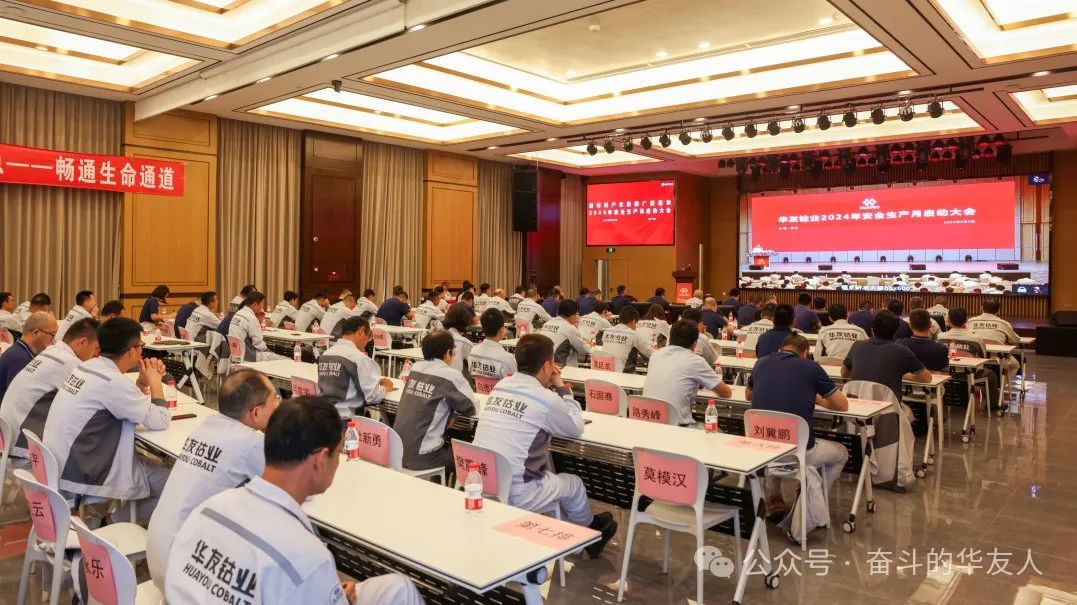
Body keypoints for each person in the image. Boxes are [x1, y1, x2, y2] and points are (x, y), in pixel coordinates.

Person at [164, 397, 423, 605]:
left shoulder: (207, 509)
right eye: (338, 453)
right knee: (400, 589)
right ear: (320, 460)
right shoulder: (309, 559)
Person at [472, 334, 617, 556]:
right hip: (517, 492)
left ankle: (578, 534)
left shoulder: (501, 386)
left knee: (553, 479)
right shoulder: (546, 399)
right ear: (548, 366)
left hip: (481, 483)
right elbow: (575, 427)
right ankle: (589, 536)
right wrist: (563, 388)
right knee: (574, 484)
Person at [147, 369, 279, 588]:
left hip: (158, 554)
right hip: (188, 574)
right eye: (275, 400)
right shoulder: (250, 444)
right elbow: (289, 484)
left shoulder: (205, 426)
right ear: (256, 412)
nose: (278, 406)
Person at [43, 317, 172, 520]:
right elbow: (160, 420)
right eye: (141, 346)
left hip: (65, 461)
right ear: (132, 351)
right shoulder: (113, 382)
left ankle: (120, 518)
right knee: (175, 483)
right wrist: (156, 382)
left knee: (152, 469)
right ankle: (117, 520)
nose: (142, 351)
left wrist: (141, 382)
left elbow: (121, 403)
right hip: (86, 470)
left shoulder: (87, 367)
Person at [746, 333, 849, 541]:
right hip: (798, 453)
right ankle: (811, 500)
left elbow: (749, 395)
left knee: (776, 438)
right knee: (842, 453)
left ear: (781, 348)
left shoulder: (761, 362)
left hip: (761, 450)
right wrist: (816, 398)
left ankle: (777, 499)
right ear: (805, 353)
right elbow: (842, 405)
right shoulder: (811, 367)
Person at [0, 318, 99, 460]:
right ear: (83, 342)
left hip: (7, 436)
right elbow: (96, 397)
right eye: (96, 349)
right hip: (23, 449)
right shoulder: (70, 363)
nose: (97, 355)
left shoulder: (52, 351)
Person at [393, 331, 477, 476]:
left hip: (396, 451)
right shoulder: (450, 375)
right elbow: (471, 407)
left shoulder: (415, 368)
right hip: (423, 457)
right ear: (448, 352)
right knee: (468, 461)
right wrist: (455, 411)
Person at [641, 319, 731, 426]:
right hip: (677, 427)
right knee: (717, 432)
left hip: (646, 421)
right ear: (694, 344)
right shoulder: (696, 361)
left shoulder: (655, 355)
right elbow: (726, 393)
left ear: (670, 338)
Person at [841, 310, 932, 402]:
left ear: (872, 329)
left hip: (859, 406)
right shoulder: (901, 351)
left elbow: (843, 373)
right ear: (895, 331)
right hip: (890, 408)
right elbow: (927, 378)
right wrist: (905, 376)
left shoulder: (857, 346)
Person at [318, 316, 394, 418]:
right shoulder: (358, 358)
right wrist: (385, 387)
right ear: (361, 331)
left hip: (323, 415)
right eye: (369, 336)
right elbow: (373, 396)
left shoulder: (326, 354)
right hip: (347, 419)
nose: (368, 341)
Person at [938, 307, 1000, 406]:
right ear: (966, 320)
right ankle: (993, 407)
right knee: (992, 375)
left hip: (944, 373)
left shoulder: (940, 337)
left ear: (948, 321)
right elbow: (982, 358)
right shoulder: (976, 339)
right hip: (970, 374)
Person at [0, 312, 58, 401]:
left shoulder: (20, 351)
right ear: (36, 332)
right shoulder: (20, 358)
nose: (53, 339)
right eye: (52, 334)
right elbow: (19, 399)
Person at [968, 300, 1021, 379]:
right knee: (1015, 365)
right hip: (997, 358)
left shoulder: (970, 321)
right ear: (999, 310)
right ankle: (1003, 384)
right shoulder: (1004, 323)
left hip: (974, 357)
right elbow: (1016, 340)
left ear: (981, 308)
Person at [229, 292, 286, 362]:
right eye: (262, 304)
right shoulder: (251, 318)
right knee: (286, 359)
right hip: (249, 356)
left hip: (236, 355)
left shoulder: (237, 314)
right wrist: (270, 351)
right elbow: (259, 344)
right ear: (255, 304)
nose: (263, 306)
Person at [539, 299, 592, 367]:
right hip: (561, 368)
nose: (578, 316)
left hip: (543, 365)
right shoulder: (570, 328)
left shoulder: (547, 323)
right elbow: (584, 350)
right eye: (577, 314)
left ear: (557, 312)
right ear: (572, 316)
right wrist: (589, 344)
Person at [601, 305, 652, 373]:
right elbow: (650, 353)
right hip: (622, 374)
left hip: (604, 371)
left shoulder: (607, 331)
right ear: (633, 321)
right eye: (636, 323)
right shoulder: (633, 334)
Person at [468, 309, 517, 378]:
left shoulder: (472, 352)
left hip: (477, 385)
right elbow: (514, 382)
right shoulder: (507, 359)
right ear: (502, 329)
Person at [443, 303, 474, 374]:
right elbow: (473, 368)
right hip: (454, 378)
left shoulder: (435, 337)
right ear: (466, 322)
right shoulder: (465, 343)